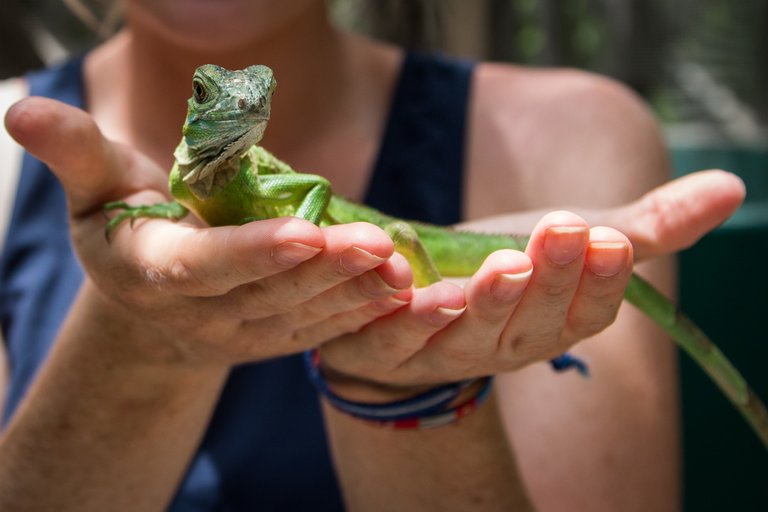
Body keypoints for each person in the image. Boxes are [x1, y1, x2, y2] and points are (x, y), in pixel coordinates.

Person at [0, 1, 745, 510]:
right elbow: (183, 197)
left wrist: (407, 376)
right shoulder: (123, 174)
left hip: (405, 247)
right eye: (217, 98)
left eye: (253, 99)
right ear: (202, 112)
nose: (237, 107)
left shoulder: (576, 132)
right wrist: (139, 346)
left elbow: (313, 192)